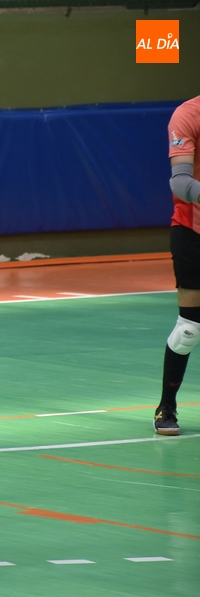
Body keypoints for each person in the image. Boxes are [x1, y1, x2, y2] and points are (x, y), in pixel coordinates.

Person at [155, 94, 200, 435]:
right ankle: (166, 407)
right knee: (189, 329)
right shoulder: (188, 114)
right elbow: (181, 183)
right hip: (192, 232)